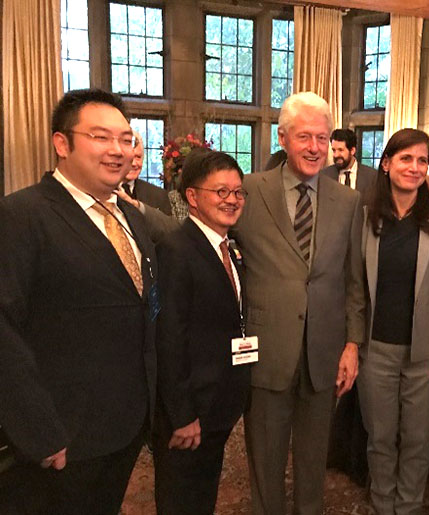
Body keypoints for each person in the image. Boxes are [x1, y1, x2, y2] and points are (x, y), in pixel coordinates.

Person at [0, 88, 157, 514]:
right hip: (61, 436)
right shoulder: (22, 215)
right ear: (62, 143)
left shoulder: (130, 217)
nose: (118, 150)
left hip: (125, 426)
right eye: (100, 137)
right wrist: (38, 430)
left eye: (126, 139)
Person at [233, 91, 365, 515]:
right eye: (304, 136)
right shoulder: (249, 190)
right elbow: (203, 234)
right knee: (265, 463)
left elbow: (354, 280)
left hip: (324, 355)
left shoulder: (348, 201)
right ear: (283, 138)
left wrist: (352, 345)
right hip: (267, 350)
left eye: (322, 138)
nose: (314, 147)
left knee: (313, 464)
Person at [357, 128, 429, 514]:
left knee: (417, 440)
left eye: (422, 160)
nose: (414, 167)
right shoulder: (363, 218)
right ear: (386, 164)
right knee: (380, 438)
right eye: (406, 158)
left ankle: (409, 507)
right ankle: (382, 505)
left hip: (427, 352)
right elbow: (354, 286)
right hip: (375, 349)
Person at [152, 150, 250, 514]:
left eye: (238, 192)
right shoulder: (176, 249)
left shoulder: (229, 248)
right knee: (181, 500)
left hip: (217, 404)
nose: (232, 200)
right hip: (189, 412)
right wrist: (182, 415)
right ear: (192, 196)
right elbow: (169, 337)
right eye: (221, 192)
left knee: (202, 495)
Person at [321, 128, 378, 203]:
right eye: (334, 150)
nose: (336, 155)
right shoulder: (325, 175)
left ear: (352, 151)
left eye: (340, 150)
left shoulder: (371, 176)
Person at [122, 132, 172, 215]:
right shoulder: (103, 193)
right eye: (129, 157)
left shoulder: (158, 196)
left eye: (138, 157)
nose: (134, 163)